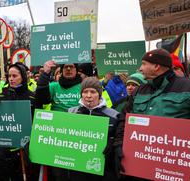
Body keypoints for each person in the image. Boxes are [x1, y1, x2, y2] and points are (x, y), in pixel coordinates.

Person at [114, 48, 190, 180]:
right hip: (139, 163)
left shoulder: (186, 88)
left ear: (156, 66)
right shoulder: (139, 91)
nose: (140, 68)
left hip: (170, 168)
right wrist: (119, 144)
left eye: (144, 64)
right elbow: (124, 118)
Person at [0, 62, 38, 181]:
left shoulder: (32, 96)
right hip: (7, 142)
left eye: (14, 76)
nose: (11, 79)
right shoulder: (3, 94)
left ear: (23, 76)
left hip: (26, 144)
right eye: (9, 76)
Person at [68, 77, 120, 181]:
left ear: (99, 94)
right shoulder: (71, 113)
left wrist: (112, 143)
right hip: (77, 168)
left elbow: (119, 138)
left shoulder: (114, 115)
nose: (88, 96)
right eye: (85, 92)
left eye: (93, 92)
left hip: (103, 169)